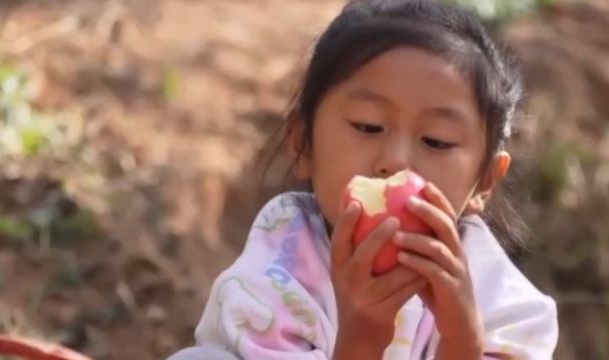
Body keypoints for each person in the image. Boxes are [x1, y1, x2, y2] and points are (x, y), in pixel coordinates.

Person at [168, 0, 559, 359]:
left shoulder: (496, 294)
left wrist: (461, 341)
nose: (396, 162)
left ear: (485, 181)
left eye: (436, 141)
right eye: (368, 126)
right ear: (303, 143)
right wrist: (362, 339)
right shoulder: (280, 266)